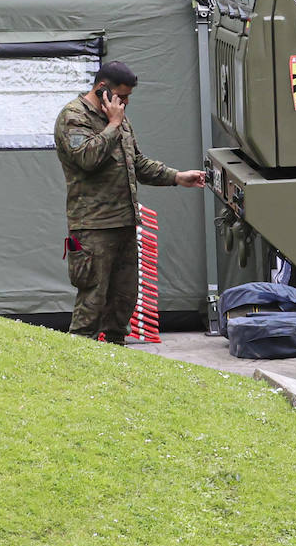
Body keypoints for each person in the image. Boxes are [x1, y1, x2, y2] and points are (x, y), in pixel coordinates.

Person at [54, 60, 205, 345]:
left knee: (124, 299)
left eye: (127, 98)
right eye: (121, 97)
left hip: (124, 223)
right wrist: (113, 124)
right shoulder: (73, 116)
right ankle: (75, 366)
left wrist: (177, 177)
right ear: (102, 89)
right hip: (93, 228)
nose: (124, 103)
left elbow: (136, 163)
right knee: (92, 301)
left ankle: (115, 358)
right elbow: (87, 159)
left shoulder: (119, 118)